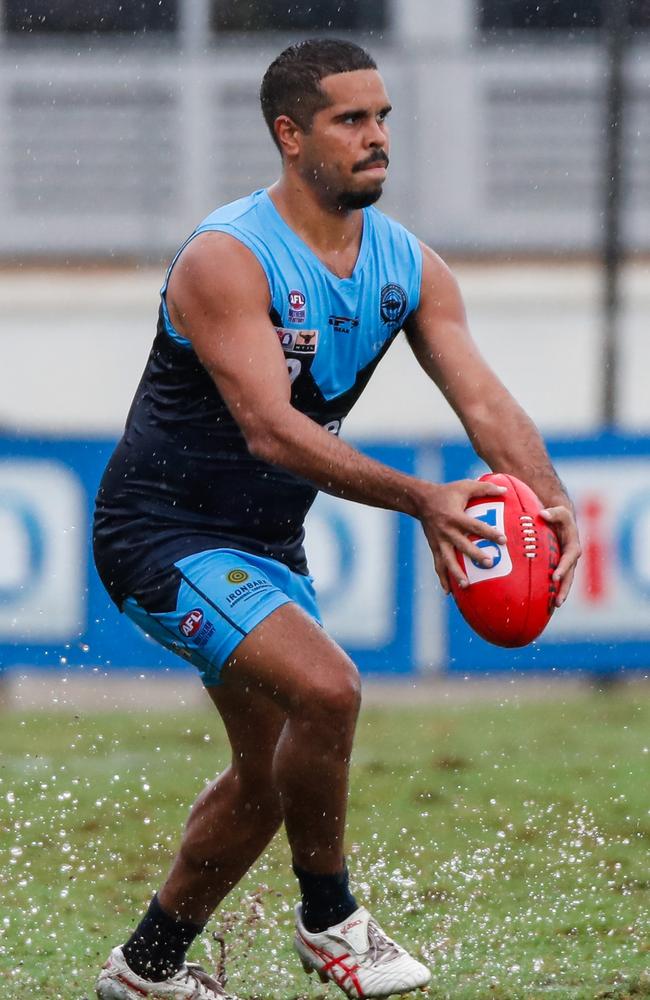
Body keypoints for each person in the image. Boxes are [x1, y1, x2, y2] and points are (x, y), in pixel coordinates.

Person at [93, 38, 581, 1000]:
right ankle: (332, 922)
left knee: (272, 779)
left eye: (384, 118)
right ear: (290, 135)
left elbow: (484, 405)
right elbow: (271, 432)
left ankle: (146, 971)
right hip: (160, 535)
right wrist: (423, 499)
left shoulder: (410, 267)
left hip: (266, 544)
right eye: (351, 121)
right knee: (330, 692)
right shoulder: (226, 257)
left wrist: (552, 505)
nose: (377, 139)